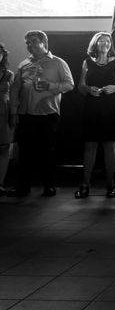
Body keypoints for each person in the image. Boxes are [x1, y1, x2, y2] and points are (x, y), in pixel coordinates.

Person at [8, 30, 74, 197]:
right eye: (27, 43)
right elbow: (15, 89)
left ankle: (49, 186)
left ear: (44, 42)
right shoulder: (23, 64)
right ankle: (23, 187)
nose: (30, 45)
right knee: (24, 152)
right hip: (25, 114)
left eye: (33, 41)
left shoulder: (58, 63)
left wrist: (50, 86)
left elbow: (69, 84)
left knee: (47, 151)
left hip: (48, 114)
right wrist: (14, 112)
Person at [75, 32, 115, 199]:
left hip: (111, 108)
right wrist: (88, 89)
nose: (104, 43)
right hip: (92, 107)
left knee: (109, 146)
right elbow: (81, 86)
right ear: (95, 44)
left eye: (107, 41)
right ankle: (85, 185)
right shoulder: (87, 62)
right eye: (101, 41)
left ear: (111, 44)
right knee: (90, 146)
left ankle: (110, 185)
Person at [0, 43, 14, 196]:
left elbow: (12, 96)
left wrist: (13, 115)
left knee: (4, 148)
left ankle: (1, 182)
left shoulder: (9, 74)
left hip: (4, 115)